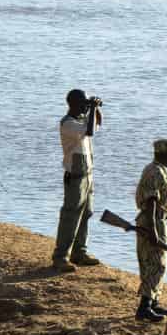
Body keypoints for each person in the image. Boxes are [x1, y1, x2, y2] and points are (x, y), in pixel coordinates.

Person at [52, 88, 102, 272]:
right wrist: (91, 108)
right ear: (73, 104)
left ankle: (79, 252)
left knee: (86, 212)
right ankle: (60, 256)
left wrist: (95, 108)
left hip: (87, 174)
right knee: (71, 215)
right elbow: (89, 132)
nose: (85, 106)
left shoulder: (80, 120)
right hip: (75, 176)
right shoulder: (68, 124)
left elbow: (96, 125)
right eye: (82, 103)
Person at [134, 138, 167, 323]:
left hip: (156, 220)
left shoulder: (157, 169)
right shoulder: (155, 172)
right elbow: (152, 202)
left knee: (156, 261)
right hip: (152, 221)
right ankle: (144, 308)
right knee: (155, 264)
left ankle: (153, 302)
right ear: (164, 154)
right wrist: (153, 231)